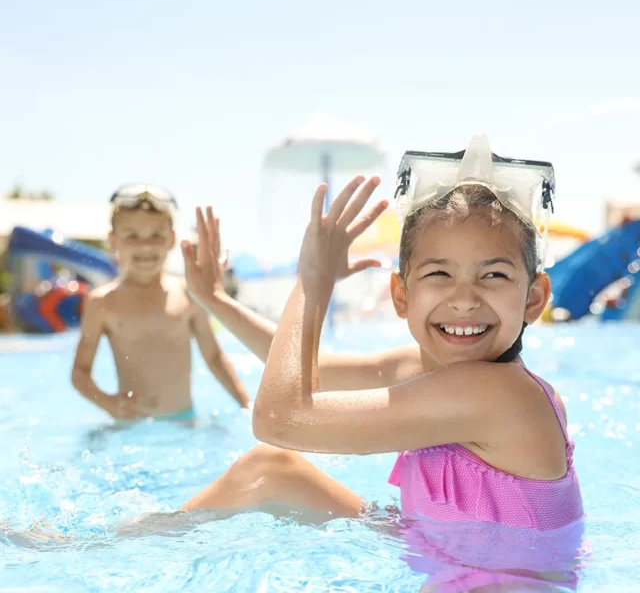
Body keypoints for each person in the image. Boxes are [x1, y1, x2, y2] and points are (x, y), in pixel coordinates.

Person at [178, 136, 583, 530]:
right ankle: (125, 544)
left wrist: (313, 281)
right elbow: (297, 366)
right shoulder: (426, 369)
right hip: (442, 545)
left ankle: (123, 556)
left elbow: (278, 419)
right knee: (268, 469)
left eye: (493, 274)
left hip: (501, 589)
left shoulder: (500, 395)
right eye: (439, 273)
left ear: (534, 298)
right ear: (401, 295)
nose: (464, 299)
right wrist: (217, 300)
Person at [71, 184, 251, 421]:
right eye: (132, 235)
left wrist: (247, 404)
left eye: (156, 235)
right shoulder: (102, 302)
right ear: (113, 241)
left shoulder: (188, 292)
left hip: (184, 420)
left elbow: (214, 357)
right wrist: (108, 403)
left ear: (171, 240)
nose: (145, 245)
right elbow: (80, 373)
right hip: (131, 426)